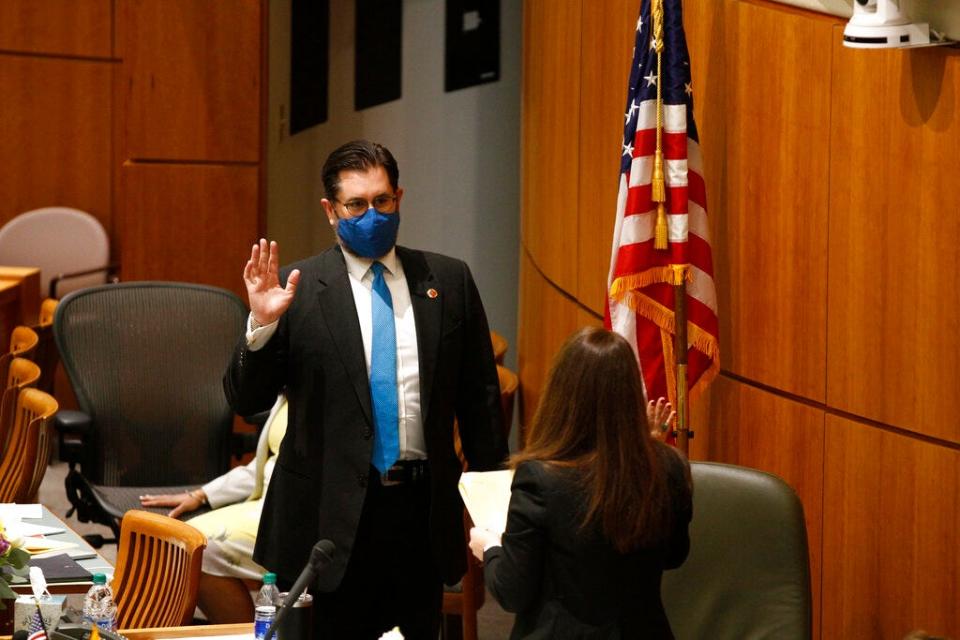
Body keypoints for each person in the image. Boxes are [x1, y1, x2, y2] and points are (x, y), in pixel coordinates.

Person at [223, 140, 507, 639]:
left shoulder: (448, 280)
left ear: (399, 197)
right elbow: (247, 404)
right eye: (356, 205)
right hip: (323, 523)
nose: (371, 214)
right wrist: (261, 327)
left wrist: (490, 509)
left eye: (382, 201)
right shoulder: (298, 287)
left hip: (419, 515)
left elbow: (480, 401)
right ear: (331, 211)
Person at [469, 327, 693, 639]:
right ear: (631, 393)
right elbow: (674, 555)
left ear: (562, 395)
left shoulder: (539, 479)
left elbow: (512, 591)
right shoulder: (670, 467)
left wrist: (491, 547)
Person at [139, 395, 288, 623]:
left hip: (293, 513)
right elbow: (265, 465)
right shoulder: (289, 392)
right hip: (263, 503)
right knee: (178, 539)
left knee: (198, 549)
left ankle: (249, 636)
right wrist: (201, 495)